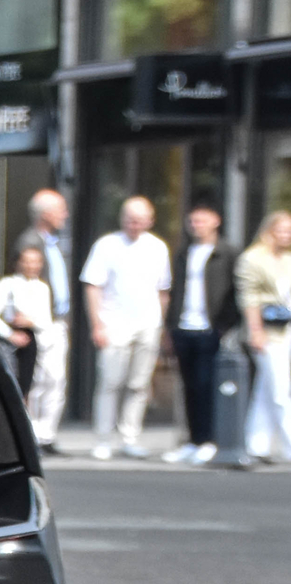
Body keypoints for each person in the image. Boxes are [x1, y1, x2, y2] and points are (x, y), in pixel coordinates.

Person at [81, 195, 171, 459]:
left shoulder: (157, 247)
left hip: (148, 323)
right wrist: (97, 324)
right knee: (110, 382)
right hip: (114, 322)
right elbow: (92, 286)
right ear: (122, 219)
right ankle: (103, 438)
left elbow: (163, 290)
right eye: (130, 220)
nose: (134, 225)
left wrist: (160, 325)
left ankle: (130, 437)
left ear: (150, 221)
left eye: (140, 220)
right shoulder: (107, 245)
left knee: (139, 384)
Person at [162, 204, 237, 464]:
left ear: (216, 221)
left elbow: (234, 292)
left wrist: (224, 326)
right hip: (184, 328)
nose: (196, 226)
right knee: (189, 386)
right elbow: (174, 291)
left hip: (209, 330)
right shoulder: (184, 253)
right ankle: (193, 440)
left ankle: (209, 439)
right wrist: (170, 327)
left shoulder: (227, 253)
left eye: (202, 220)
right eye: (192, 221)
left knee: (207, 386)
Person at [11, 190, 76, 450]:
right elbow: (20, 283)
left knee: (57, 379)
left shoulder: (57, 242)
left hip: (57, 320)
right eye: (61, 209)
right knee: (37, 381)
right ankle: (34, 433)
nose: (66, 215)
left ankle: (48, 434)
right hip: (36, 322)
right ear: (46, 214)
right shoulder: (29, 241)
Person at [238, 210, 291, 463]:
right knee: (280, 391)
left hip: (288, 331)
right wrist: (256, 331)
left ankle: (256, 444)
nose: (287, 235)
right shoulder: (253, 258)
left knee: (265, 389)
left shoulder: (289, 257)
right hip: (269, 333)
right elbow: (249, 298)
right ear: (269, 230)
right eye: (282, 230)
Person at [0, 244, 58, 405]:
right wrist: (10, 334)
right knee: (9, 384)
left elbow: (47, 321)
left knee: (27, 386)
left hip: (30, 339)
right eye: (27, 261)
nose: (31, 266)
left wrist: (30, 321)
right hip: (9, 340)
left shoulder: (42, 287)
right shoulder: (7, 284)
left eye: (35, 261)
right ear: (18, 263)